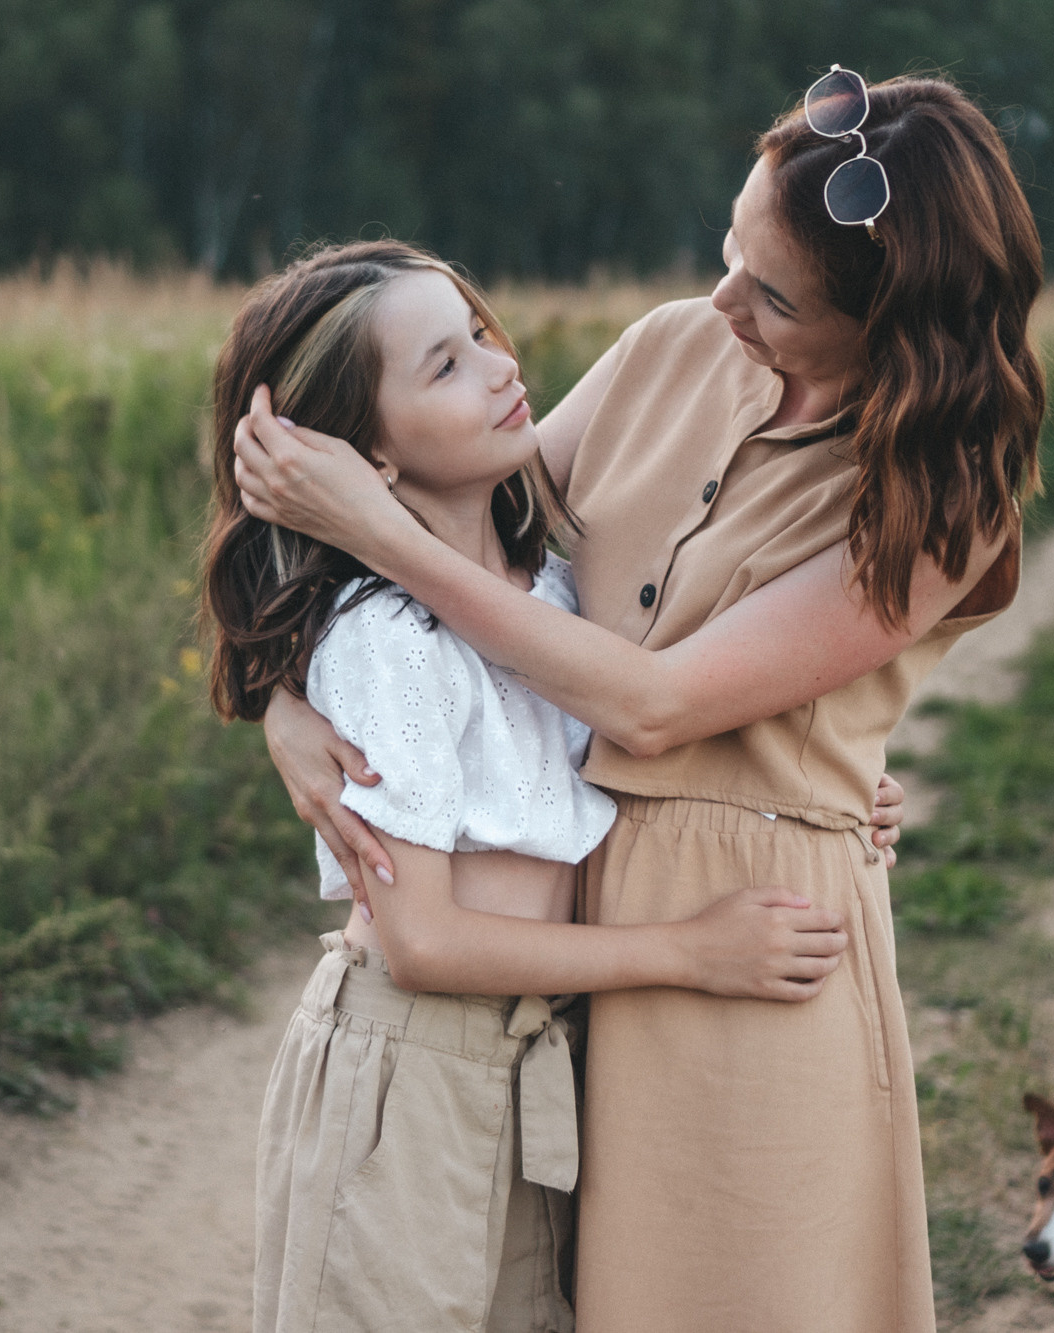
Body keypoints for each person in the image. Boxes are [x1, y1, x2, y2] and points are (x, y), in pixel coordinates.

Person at [233, 70, 1043, 1333]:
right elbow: (471, 537)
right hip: (561, 968)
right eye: (729, 251)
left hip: (745, 944)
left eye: (772, 296)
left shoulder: (941, 498)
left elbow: (653, 704)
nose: (723, 302)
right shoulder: (675, 349)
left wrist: (819, 775)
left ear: (887, 324)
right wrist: (281, 695)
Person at [202, 239, 855, 1333]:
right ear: (369, 455)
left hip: (534, 1065)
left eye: (479, 334)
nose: (502, 366)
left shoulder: (550, 593)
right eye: (446, 366)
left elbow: (657, 720)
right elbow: (423, 943)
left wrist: (825, 788)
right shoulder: (388, 640)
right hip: (409, 1074)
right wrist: (688, 953)